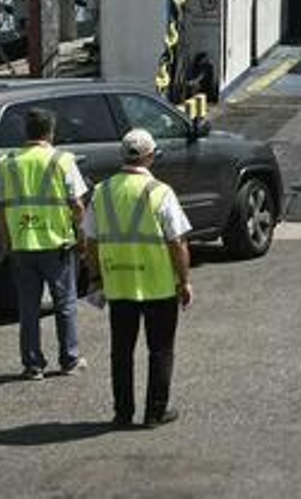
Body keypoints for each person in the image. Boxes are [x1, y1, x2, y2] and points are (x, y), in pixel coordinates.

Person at [85, 129, 194, 428]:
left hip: (118, 285)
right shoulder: (160, 192)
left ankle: (122, 412)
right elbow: (177, 241)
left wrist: (95, 278)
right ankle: (155, 412)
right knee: (160, 350)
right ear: (150, 156)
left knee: (121, 351)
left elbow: (90, 241)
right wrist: (184, 280)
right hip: (159, 286)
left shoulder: (102, 192)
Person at [0, 108, 89, 380]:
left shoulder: (9, 162)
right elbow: (77, 205)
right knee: (65, 303)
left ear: (26, 131)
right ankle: (69, 360)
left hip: (23, 243)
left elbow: (1, 205)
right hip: (56, 243)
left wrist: (8, 240)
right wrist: (81, 236)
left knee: (28, 308)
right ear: (51, 132)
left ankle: (33, 365)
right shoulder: (62, 160)